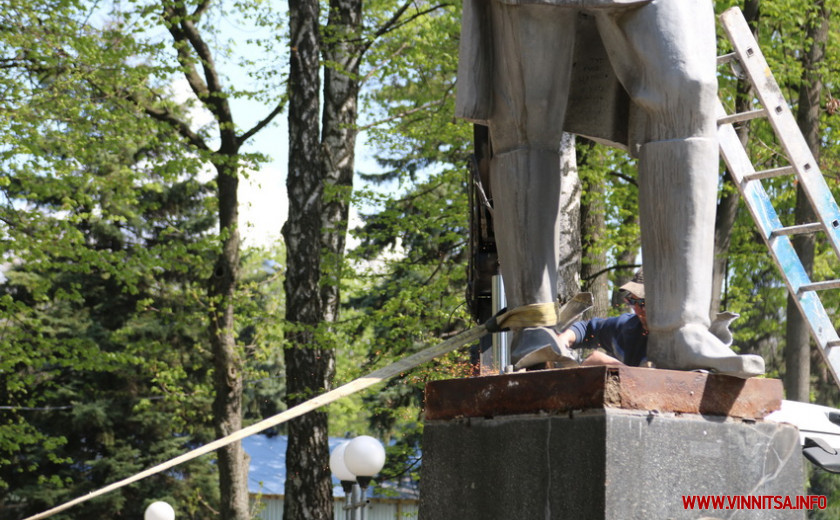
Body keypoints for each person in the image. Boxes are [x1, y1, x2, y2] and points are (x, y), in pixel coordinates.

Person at [456, 0, 765, 377]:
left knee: (688, 90)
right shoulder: (622, 324)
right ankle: (534, 324)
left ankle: (680, 329)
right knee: (525, 111)